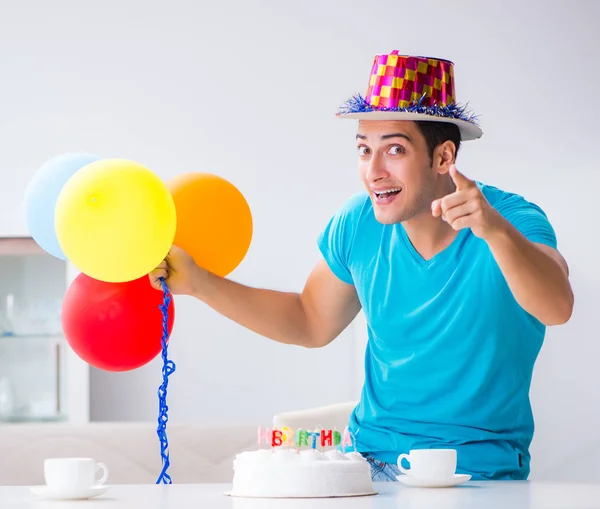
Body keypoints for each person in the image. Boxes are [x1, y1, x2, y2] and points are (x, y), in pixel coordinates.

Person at [149, 52, 574, 481]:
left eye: (394, 149)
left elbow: (557, 307)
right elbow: (310, 320)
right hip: (369, 466)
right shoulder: (358, 223)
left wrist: (496, 233)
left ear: (444, 157)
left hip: (478, 474)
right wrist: (201, 284)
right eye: (363, 150)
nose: (373, 171)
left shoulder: (511, 220)